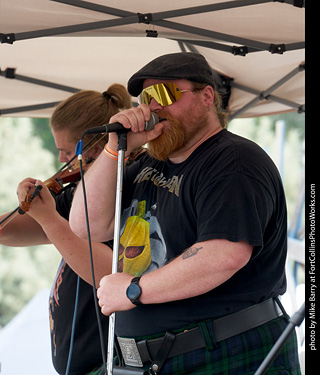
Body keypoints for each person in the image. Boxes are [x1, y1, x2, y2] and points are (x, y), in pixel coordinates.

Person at [69, 53, 301, 375]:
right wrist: (114, 147)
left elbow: (223, 255)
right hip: (156, 359)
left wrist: (134, 289)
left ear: (206, 97)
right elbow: (86, 225)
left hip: (223, 351)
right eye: (146, 99)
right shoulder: (146, 165)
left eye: (164, 95)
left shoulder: (233, 161)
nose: (153, 108)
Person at [0, 84, 134, 375]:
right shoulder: (79, 190)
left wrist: (49, 218)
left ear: (95, 146)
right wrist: (34, 207)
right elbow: (8, 231)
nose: (61, 161)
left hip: (106, 360)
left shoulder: (125, 186)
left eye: (65, 151)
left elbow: (108, 274)